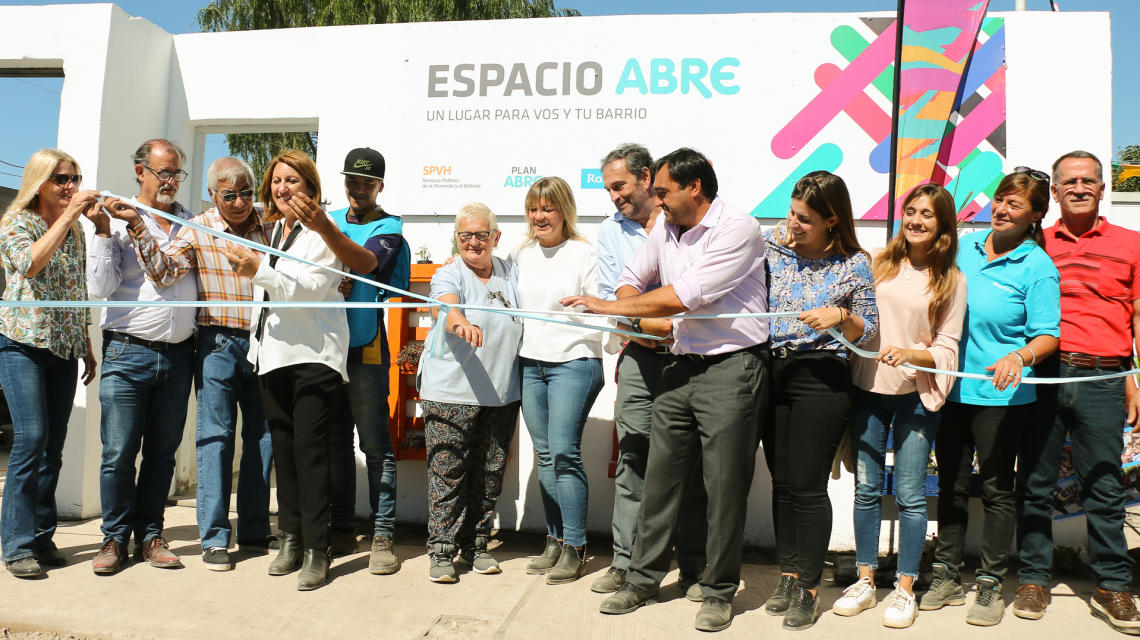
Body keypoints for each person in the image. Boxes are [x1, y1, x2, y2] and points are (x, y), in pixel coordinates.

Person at [567, 148, 771, 633]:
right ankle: (642, 579)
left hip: (732, 368)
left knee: (722, 487)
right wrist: (632, 312)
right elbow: (631, 279)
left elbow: (684, 296)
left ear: (694, 187)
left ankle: (718, 591)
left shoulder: (738, 228)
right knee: (659, 479)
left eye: (663, 192)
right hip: (680, 364)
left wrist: (610, 308)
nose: (655, 201)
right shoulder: (666, 228)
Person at [110, 156, 277, 571]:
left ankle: (255, 529)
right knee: (215, 438)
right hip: (217, 344)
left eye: (245, 193)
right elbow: (164, 274)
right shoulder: (198, 228)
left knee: (263, 437)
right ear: (212, 195)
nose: (239, 202)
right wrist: (136, 226)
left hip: (266, 341)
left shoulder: (271, 225)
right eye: (229, 195)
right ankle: (215, 539)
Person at [921, 169, 1060, 626]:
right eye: (1000, 199)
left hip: (1002, 399)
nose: (1001, 209)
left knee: (998, 489)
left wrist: (1019, 357)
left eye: (1015, 205)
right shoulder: (966, 247)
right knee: (951, 484)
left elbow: (1048, 335)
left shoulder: (1037, 267)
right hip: (951, 389)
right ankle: (945, 573)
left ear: (1036, 215)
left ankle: (990, 583)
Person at [1016, 151, 1140, 634]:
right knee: (1035, 484)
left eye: (1089, 180)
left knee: (1104, 487)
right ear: (1055, 192)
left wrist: (1135, 377)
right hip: (1044, 376)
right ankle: (1033, 579)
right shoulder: (1035, 244)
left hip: (1102, 380)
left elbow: (1136, 317)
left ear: (1103, 189)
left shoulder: (1131, 243)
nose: (1079, 188)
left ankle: (1113, 585)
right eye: (1069, 181)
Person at [834, 184, 966, 628]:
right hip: (866, 391)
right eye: (910, 211)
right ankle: (865, 581)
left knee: (910, 495)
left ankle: (905, 588)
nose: (916, 220)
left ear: (943, 224)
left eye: (926, 213)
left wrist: (912, 354)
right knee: (867, 489)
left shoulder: (952, 280)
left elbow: (948, 346)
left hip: (916, 397)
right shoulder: (876, 262)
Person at [221, 150, 348, 591]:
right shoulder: (274, 230)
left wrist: (258, 271)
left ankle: (317, 549)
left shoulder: (324, 231)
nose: (282, 188)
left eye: (292, 180)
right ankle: (291, 539)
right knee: (284, 452)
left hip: (314, 356)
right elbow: (267, 296)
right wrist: (256, 348)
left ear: (310, 186)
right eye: (276, 181)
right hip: (272, 356)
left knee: (310, 454)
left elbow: (310, 290)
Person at [761, 170, 878, 631]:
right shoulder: (773, 247)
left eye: (805, 219)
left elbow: (868, 330)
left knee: (808, 486)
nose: (794, 224)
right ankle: (789, 574)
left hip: (821, 376)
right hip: (773, 370)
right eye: (792, 213)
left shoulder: (854, 263)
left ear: (833, 220)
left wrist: (840, 315)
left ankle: (809, 587)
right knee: (782, 483)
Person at [590, 143, 708, 598]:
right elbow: (613, 299)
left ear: (645, 178)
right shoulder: (610, 231)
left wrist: (661, 323)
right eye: (608, 189)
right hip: (640, 355)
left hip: (692, 356)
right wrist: (648, 329)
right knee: (634, 457)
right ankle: (626, 563)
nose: (614, 196)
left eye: (619, 186)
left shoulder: (690, 220)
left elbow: (696, 294)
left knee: (694, 464)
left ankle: (693, 568)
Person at [293, 147, 409, 574]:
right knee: (335, 444)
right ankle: (341, 528)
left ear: (380, 186)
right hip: (323, 346)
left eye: (367, 182)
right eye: (352, 180)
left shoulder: (388, 226)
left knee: (375, 445)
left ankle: (382, 535)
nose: (359, 188)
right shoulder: (327, 218)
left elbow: (368, 263)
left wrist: (330, 242)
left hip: (364, 345)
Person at [84, 139, 197, 574]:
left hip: (179, 357)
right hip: (127, 353)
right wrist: (101, 230)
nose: (171, 181)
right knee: (118, 453)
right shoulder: (115, 218)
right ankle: (114, 539)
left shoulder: (189, 223)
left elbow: (181, 276)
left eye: (176, 173)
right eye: (163, 172)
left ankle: (150, 535)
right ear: (140, 172)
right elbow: (99, 288)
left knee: (162, 455)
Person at [0, 149, 99, 578]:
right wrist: (69, 216)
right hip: (21, 344)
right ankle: (16, 545)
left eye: (74, 178)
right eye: (61, 179)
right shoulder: (15, 222)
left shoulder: (74, 230)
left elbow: (76, 289)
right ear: (39, 182)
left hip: (63, 348)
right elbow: (30, 265)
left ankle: (41, 537)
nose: (70, 186)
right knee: (31, 439)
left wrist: (86, 342)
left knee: (52, 448)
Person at [417, 203, 522, 583]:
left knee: (489, 475)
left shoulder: (511, 271)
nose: (473, 242)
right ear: (456, 238)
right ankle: (441, 550)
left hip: (501, 393)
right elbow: (444, 307)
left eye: (481, 235)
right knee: (448, 474)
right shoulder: (449, 272)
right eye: (465, 235)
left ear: (496, 237)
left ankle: (476, 544)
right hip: (450, 392)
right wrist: (460, 322)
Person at [511, 176, 604, 585]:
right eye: (533, 208)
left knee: (564, 453)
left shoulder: (585, 253)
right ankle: (555, 539)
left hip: (574, 361)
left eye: (547, 208)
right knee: (545, 455)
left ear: (564, 211)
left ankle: (576, 546)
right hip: (531, 363)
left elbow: (602, 304)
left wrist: (588, 305)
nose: (539, 216)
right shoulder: (520, 253)